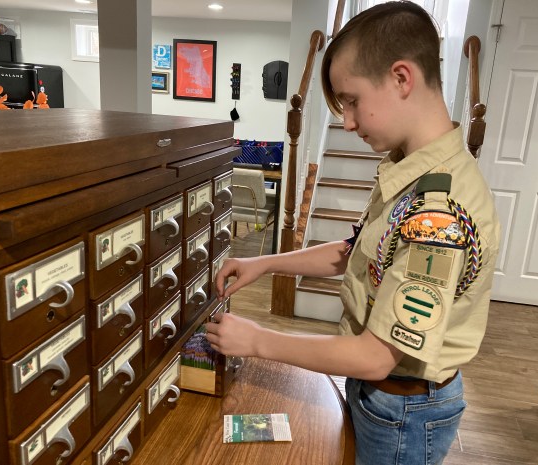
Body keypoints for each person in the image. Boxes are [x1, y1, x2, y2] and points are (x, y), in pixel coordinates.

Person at [205, 2, 501, 464]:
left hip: (404, 408)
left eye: (351, 100)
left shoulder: (438, 211)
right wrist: (262, 263)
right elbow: (355, 252)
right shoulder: (409, 171)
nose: (347, 121)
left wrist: (258, 340)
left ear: (402, 78)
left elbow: (376, 357)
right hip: (383, 397)